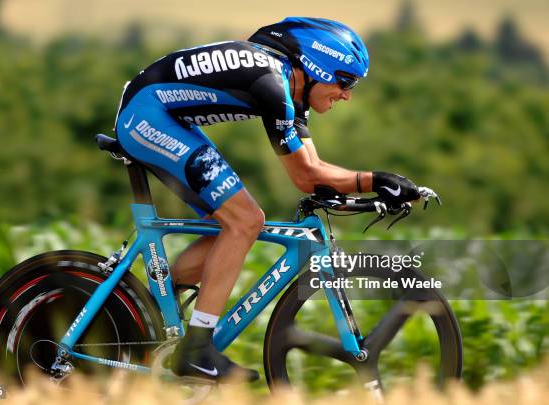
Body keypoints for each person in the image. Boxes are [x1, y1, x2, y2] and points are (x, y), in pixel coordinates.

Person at [113, 17, 420, 382]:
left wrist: (365, 187)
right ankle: (195, 350)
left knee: (229, 224)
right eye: (345, 81)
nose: (347, 94)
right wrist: (377, 180)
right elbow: (306, 176)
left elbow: (314, 169)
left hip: (159, 114)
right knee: (245, 220)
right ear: (317, 67)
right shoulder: (271, 84)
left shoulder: (289, 88)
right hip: (147, 115)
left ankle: (147, 311)